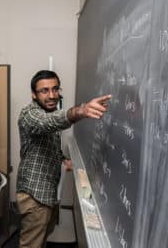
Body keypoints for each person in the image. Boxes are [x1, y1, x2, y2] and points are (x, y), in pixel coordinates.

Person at [16, 70, 111, 248]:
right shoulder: (29, 114)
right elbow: (47, 123)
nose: (52, 95)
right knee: (31, 245)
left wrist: (62, 158)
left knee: (41, 240)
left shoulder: (49, 111)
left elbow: (47, 139)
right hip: (35, 196)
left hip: (47, 193)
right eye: (44, 91)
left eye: (55, 89)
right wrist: (81, 111)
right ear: (33, 94)